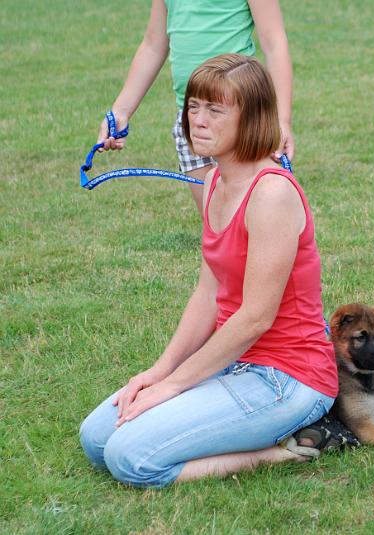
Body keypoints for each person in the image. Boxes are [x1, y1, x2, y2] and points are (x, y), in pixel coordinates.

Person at [80, 54, 339, 488]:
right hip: (233, 361)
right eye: (194, 106)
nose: (197, 120)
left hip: (288, 378)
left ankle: (278, 453)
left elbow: (255, 317)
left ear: (253, 118)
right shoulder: (216, 181)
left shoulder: (271, 193)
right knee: (96, 439)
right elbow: (208, 294)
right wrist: (157, 374)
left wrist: (175, 386)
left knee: (131, 459)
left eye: (215, 110)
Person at [96, 0, 294, 212]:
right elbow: (153, 45)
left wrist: (281, 121)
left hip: (238, 116)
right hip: (191, 119)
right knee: (215, 218)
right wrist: (121, 110)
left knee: (255, 211)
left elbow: (275, 43)